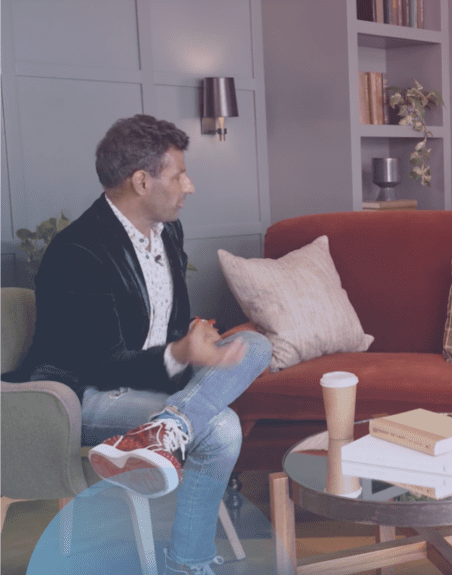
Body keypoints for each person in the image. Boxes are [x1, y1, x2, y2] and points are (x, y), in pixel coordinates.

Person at [9, 114, 272, 575]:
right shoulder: (79, 252)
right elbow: (104, 366)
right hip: (85, 396)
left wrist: (196, 340)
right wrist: (182, 355)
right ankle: (188, 565)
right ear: (141, 181)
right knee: (222, 428)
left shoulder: (168, 231)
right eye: (179, 175)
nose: (189, 186)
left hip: (157, 386)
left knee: (257, 345)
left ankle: (170, 425)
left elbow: (165, 326)